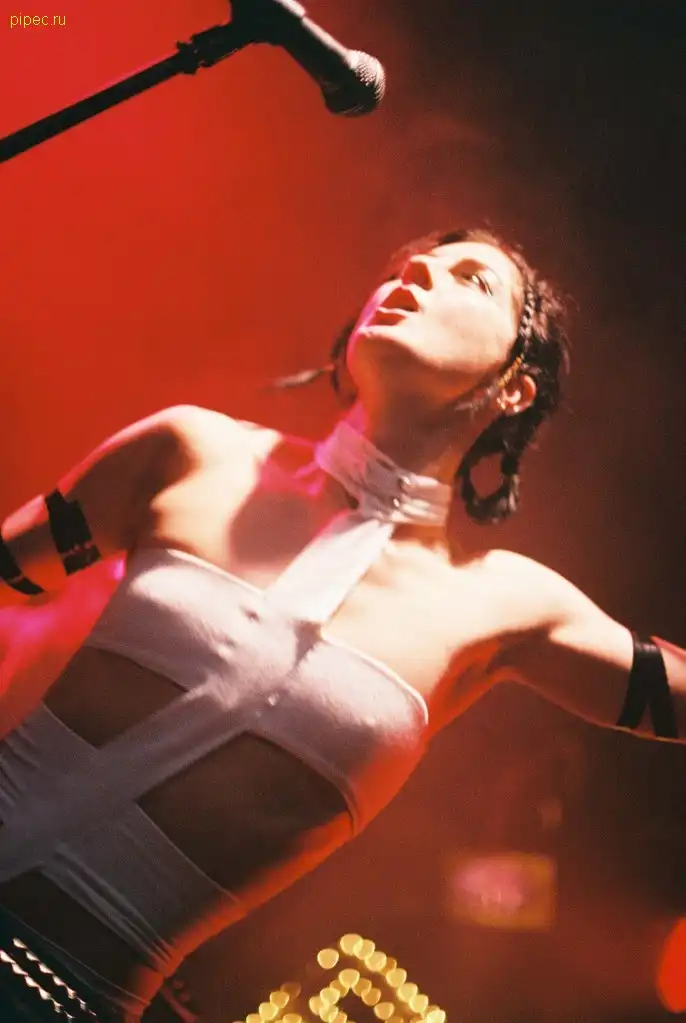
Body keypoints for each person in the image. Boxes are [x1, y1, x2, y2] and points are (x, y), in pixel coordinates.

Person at [0, 227, 683, 1022]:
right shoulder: (193, 452)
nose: (417, 272)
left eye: (471, 279)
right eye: (408, 265)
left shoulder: (503, 604)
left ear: (514, 389)